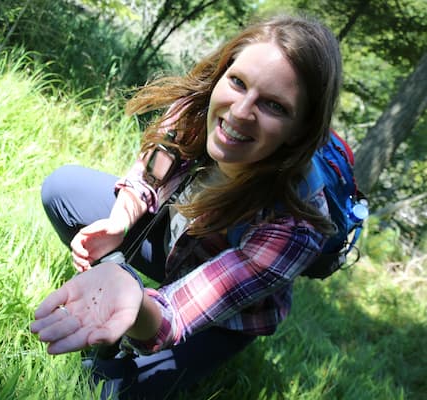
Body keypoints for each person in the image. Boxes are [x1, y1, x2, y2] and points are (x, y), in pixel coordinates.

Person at [31, 13, 342, 399]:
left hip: (228, 313)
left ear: (301, 130)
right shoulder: (196, 112)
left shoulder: (296, 226)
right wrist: (119, 220)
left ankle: (129, 313)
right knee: (63, 189)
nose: (240, 112)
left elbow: (178, 313)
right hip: (177, 245)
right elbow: (148, 178)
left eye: (274, 106)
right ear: (223, 71)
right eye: (238, 82)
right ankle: (118, 291)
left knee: (105, 388)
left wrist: (135, 303)